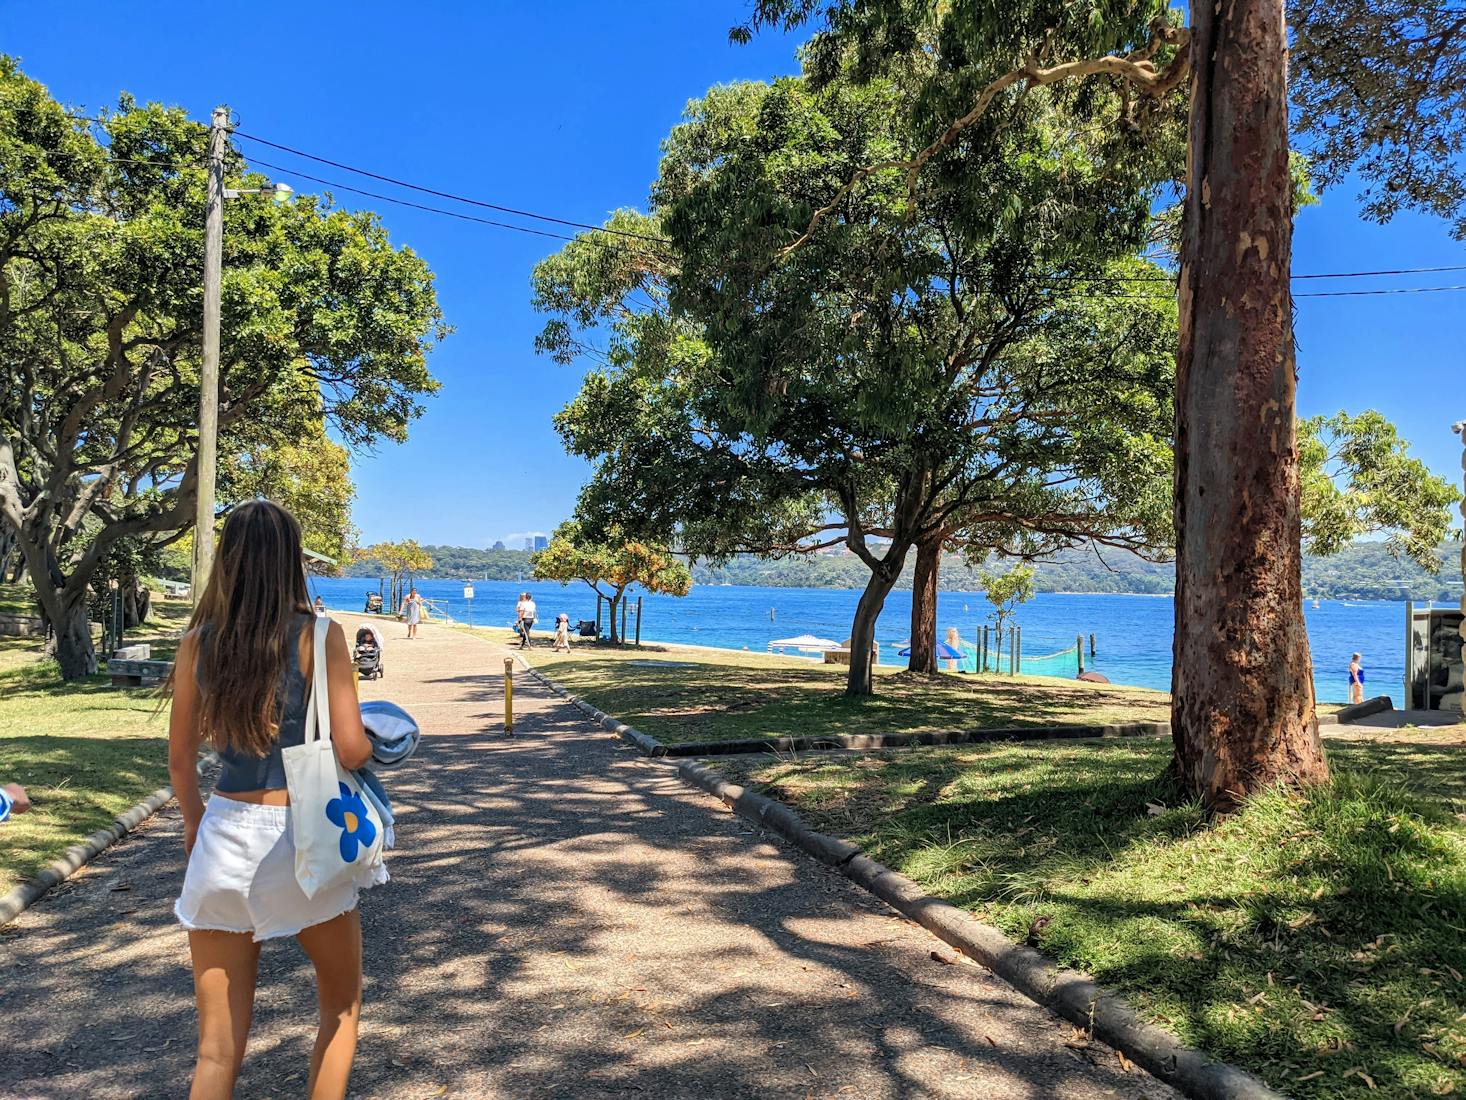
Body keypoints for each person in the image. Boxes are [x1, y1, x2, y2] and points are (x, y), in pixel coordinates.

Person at [167, 500, 379, 1100]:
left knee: (216, 1049)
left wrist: (192, 822)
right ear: (292, 558)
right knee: (339, 1008)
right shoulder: (320, 635)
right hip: (300, 836)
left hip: (225, 832)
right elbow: (353, 748)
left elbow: (181, 759)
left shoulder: (197, 644)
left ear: (227, 560)